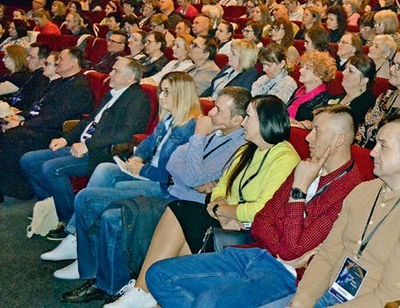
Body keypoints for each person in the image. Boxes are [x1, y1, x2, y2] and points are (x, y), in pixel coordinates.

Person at [146, 105, 369, 308]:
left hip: (287, 275)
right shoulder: (306, 166)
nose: (308, 137)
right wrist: (279, 248)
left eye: (317, 131)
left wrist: (299, 189)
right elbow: (262, 220)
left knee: (209, 301)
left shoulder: (350, 191)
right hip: (257, 252)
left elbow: (294, 251)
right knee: (158, 274)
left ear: (339, 140)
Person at [108, 95, 299, 306]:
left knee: (182, 213)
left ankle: (145, 292)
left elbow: (261, 211)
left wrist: (223, 210)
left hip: (251, 233)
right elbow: (220, 188)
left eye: (249, 117)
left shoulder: (285, 157)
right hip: (228, 221)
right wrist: (221, 210)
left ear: (266, 120)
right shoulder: (248, 149)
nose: (243, 122)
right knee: (181, 211)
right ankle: (148, 293)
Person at [56, 72, 201, 299]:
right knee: (103, 172)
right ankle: (85, 256)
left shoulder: (190, 129)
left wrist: (141, 169)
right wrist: (138, 158)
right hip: (147, 176)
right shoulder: (170, 119)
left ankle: (89, 258)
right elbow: (148, 143)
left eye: (166, 92)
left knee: (90, 199)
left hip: (161, 187)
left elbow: (173, 176)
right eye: (160, 91)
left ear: (181, 96)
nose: (160, 97)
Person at [289, 118, 400, 307]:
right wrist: (302, 300)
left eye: (383, 146)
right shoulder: (363, 191)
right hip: (325, 294)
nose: (372, 152)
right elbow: (328, 253)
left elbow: (389, 297)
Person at [21, 57, 151, 239]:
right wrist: (65, 140)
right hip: (82, 145)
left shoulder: (138, 99)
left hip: (102, 152)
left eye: (116, 71)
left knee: (51, 168)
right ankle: (52, 208)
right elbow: (89, 121)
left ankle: (67, 221)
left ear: (131, 78)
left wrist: (87, 146)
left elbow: (126, 134)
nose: (110, 74)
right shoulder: (112, 93)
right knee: (28, 160)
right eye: (112, 69)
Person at [0, 48, 94, 200]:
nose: (58, 62)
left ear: (74, 62)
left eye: (61, 59)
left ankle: (19, 189)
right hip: (42, 125)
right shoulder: (60, 82)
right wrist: (19, 118)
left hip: (55, 131)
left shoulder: (79, 87)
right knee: (5, 127)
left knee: (13, 136)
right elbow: (38, 107)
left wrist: (22, 125)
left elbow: (55, 118)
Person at [288, 51, 336, 129]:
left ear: (319, 75)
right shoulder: (299, 91)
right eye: (302, 66)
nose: (300, 70)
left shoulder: (323, 99)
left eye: (307, 68)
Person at [330, 54, 377, 127]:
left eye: (350, 71)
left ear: (363, 81)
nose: (343, 73)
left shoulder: (366, 105)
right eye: (345, 68)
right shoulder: (341, 96)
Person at [1, 43, 50, 111]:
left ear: (42, 61)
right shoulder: (33, 75)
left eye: (31, 57)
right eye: (28, 56)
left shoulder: (26, 76)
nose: (27, 59)